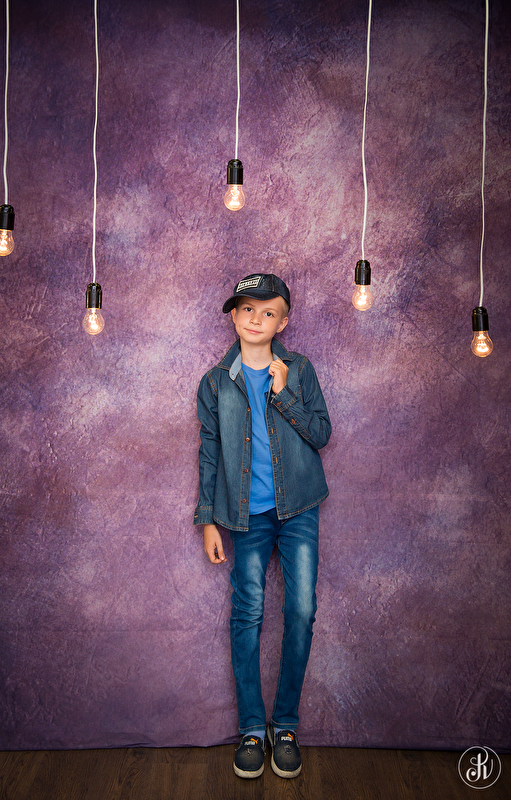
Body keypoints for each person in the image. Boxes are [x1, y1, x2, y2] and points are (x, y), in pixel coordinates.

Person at [194, 273, 331, 779]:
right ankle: (252, 728)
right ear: (233, 316)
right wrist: (208, 520)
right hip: (244, 517)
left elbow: (322, 433)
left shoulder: (300, 370)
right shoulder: (215, 382)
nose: (256, 319)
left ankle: (285, 726)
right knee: (247, 613)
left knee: (301, 610)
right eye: (247, 309)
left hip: (298, 510)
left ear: (283, 322)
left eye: (268, 312)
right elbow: (210, 454)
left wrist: (284, 394)